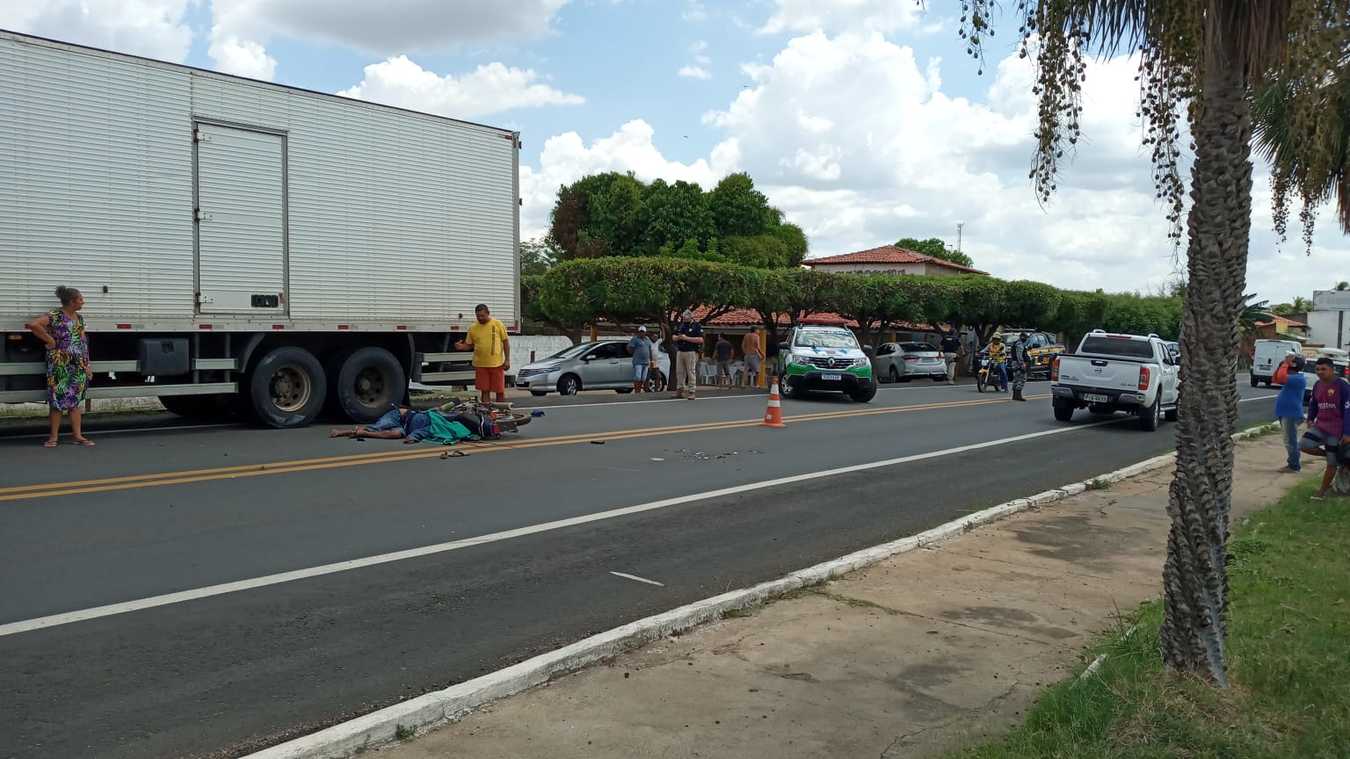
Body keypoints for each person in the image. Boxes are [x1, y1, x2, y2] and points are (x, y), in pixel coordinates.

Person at [26, 286, 94, 447]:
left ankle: (78, 435)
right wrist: (50, 340)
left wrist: (87, 364)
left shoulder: (79, 318)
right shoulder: (55, 315)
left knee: (75, 401)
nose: (83, 301)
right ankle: (53, 437)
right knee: (57, 400)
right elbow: (34, 325)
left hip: (78, 364)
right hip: (59, 363)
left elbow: (83, 343)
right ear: (71, 301)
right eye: (80, 299)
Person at [1301, 357, 1350, 499]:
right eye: (1317, 369)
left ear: (1332, 370)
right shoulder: (1317, 385)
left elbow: (1348, 410)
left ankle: (1322, 491)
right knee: (1304, 444)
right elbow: (1313, 403)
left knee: (1331, 463)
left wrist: (1347, 432)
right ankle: (1333, 456)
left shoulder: (1342, 386)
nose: (1320, 372)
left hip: (1336, 429)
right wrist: (1310, 418)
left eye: (1324, 369)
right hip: (1320, 426)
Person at [455, 304, 510, 404]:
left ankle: (502, 411)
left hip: (496, 364)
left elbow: (505, 342)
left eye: (482, 316)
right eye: (478, 316)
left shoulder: (497, 324)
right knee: (484, 390)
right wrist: (461, 347)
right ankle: (487, 411)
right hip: (480, 364)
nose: (480, 318)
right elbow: (469, 345)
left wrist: (507, 359)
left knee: (499, 390)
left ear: (488, 313)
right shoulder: (473, 328)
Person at [1274, 352, 1308, 473]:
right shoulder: (1291, 378)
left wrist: (1286, 364)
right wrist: (1282, 365)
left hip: (1291, 414)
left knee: (1290, 441)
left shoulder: (1299, 379)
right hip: (1285, 413)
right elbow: (1276, 378)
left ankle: (1294, 466)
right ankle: (1293, 464)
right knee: (1289, 440)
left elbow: (1282, 377)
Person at [671, 310, 704, 400]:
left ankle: (692, 391)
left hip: (691, 351)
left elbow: (700, 340)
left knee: (690, 371)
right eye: (683, 318)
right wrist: (679, 337)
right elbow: (673, 337)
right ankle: (680, 390)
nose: (684, 319)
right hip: (680, 351)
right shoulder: (681, 325)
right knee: (680, 372)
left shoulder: (697, 325)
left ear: (690, 317)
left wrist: (686, 338)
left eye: (686, 318)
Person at [627, 325, 657, 393]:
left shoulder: (647, 339)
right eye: (640, 332)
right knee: (638, 377)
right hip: (638, 362)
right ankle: (636, 390)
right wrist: (633, 353)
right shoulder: (635, 339)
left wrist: (651, 361)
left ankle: (639, 390)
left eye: (643, 332)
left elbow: (650, 350)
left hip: (646, 362)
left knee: (643, 378)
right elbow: (629, 347)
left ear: (645, 332)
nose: (641, 333)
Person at [1009, 332, 1030, 401]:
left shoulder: (1016, 343)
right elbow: (1019, 355)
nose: (1026, 339)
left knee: (1016, 378)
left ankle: (1015, 395)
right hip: (1018, 363)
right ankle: (1018, 395)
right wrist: (1022, 364)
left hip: (1015, 363)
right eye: (1025, 337)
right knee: (1022, 378)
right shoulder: (1019, 344)